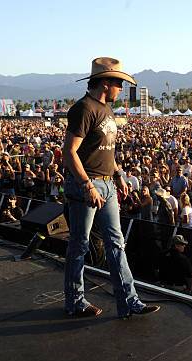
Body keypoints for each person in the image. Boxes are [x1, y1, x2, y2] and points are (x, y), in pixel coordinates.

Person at [62, 57, 159, 318]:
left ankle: (129, 301)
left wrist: (118, 175)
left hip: (107, 184)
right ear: (105, 83)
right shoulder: (83, 109)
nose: (121, 88)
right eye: (119, 83)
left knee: (117, 244)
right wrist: (86, 185)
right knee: (80, 244)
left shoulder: (107, 110)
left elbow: (106, 151)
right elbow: (69, 152)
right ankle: (75, 301)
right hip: (87, 185)